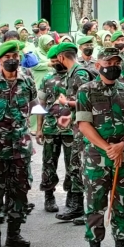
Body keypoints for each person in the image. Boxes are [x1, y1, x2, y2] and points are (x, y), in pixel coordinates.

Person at [76, 47, 124, 247]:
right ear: (97, 65)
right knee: (95, 205)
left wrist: (123, 145)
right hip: (96, 158)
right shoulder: (86, 90)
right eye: (108, 62)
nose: (112, 66)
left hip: (122, 156)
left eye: (116, 63)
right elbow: (84, 125)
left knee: (120, 204)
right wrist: (107, 147)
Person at [0, 41, 37, 247]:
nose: (12, 60)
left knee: (20, 190)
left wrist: (40, 127)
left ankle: (14, 233)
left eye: (15, 55)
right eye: (7, 57)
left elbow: (35, 106)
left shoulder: (27, 80)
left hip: (21, 146)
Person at [54, 42, 95, 224]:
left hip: (87, 130)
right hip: (79, 127)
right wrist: (70, 117)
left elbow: (89, 101)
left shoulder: (79, 74)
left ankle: (89, 211)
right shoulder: (74, 73)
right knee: (76, 166)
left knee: (85, 168)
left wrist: (66, 103)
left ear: (61, 57)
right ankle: (77, 207)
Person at [36, 45, 73, 214]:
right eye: (52, 61)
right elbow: (41, 105)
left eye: (56, 59)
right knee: (49, 163)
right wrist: (39, 128)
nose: (55, 63)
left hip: (71, 129)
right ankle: (49, 196)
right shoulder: (47, 79)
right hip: (50, 127)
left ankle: (72, 195)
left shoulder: (75, 78)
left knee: (73, 164)